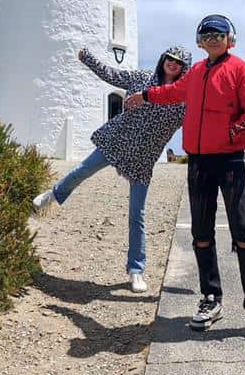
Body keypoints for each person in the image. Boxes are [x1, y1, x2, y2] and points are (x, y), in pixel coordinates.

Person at [126, 14, 245, 343]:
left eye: (218, 34)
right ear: (199, 40)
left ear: (230, 38)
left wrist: (234, 133)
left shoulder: (241, 70)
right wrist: (145, 96)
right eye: (206, 34)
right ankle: (211, 299)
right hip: (199, 162)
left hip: (231, 160)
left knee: (243, 232)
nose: (212, 38)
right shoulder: (195, 73)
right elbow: (173, 91)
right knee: (201, 233)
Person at [32, 45, 192, 293]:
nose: (173, 64)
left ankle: (136, 270)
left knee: (136, 215)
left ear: (185, 68)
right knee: (82, 171)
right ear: (163, 60)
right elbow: (111, 75)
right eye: (170, 59)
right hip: (116, 140)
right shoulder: (141, 78)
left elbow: (203, 116)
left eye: (179, 62)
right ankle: (53, 194)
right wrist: (88, 58)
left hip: (142, 158)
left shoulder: (184, 99)